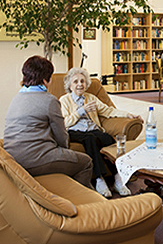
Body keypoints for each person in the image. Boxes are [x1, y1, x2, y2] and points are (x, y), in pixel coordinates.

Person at [4, 56, 93, 188]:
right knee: (86, 162)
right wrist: (65, 154)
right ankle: (84, 202)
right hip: (34, 159)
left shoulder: (16, 98)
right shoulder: (49, 101)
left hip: (11, 158)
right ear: (45, 80)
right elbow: (62, 137)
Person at [60, 67, 142, 197]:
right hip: (76, 132)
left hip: (93, 130)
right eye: (75, 82)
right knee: (90, 139)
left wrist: (128, 115)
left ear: (86, 84)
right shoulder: (64, 100)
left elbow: (109, 111)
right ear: (70, 85)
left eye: (82, 81)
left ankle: (117, 178)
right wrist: (81, 110)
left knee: (107, 138)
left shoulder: (91, 98)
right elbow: (64, 123)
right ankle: (99, 179)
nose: (80, 84)